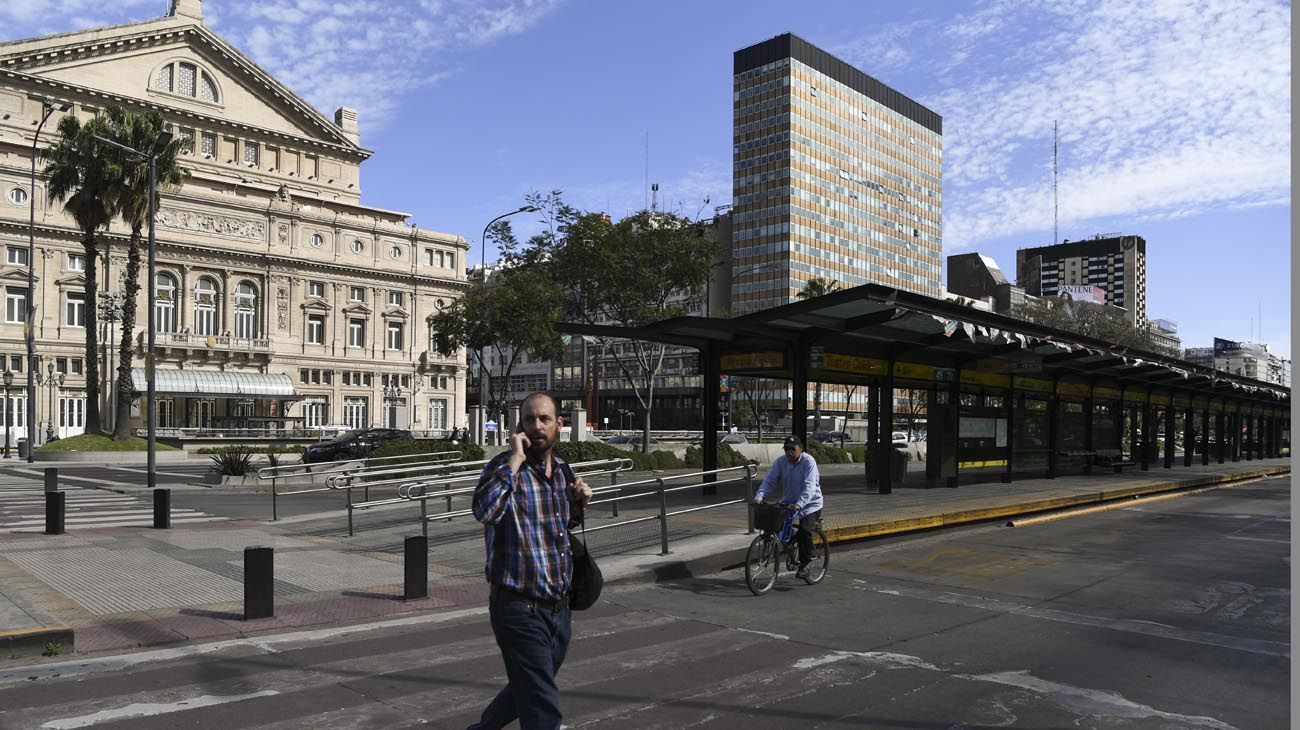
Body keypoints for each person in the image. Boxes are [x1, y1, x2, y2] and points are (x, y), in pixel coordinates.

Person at [468, 392, 592, 730]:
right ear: (518, 426)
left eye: (544, 419)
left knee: (532, 686)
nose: (536, 426)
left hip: (559, 608)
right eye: (528, 420)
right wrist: (514, 460)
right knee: (541, 707)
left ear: (559, 425)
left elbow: (561, 527)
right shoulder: (502, 468)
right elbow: (485, 511)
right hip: (518, 606)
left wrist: (579, 503)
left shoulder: (564, 469)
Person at [753, 435, 824, 579]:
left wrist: (800, 504)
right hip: (789, 502)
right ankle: (789, 544)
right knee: (772, 521)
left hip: (810, 503)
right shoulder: (781, 462)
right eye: (786, 449)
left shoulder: (808, 462)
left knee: (804, 530)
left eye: (792, 449)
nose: (789, 452)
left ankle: (806, 562)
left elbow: (810, 487)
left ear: (800, 449)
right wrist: (760, 496)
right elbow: (770, 481)